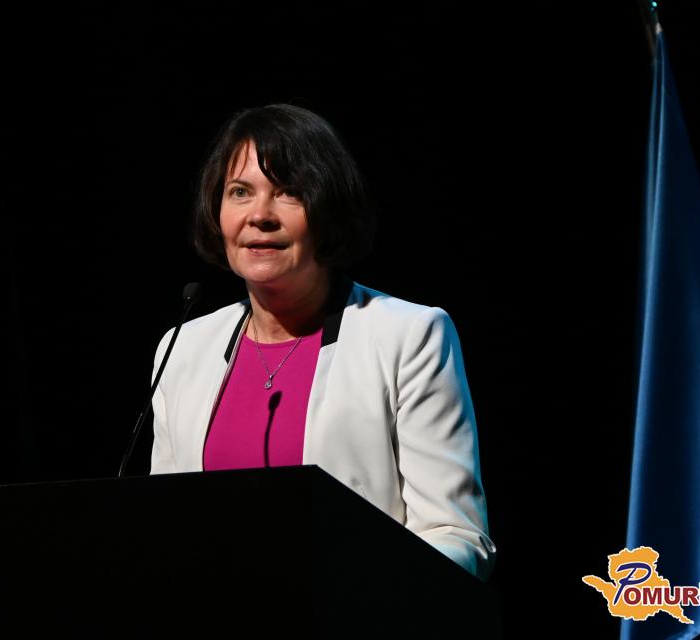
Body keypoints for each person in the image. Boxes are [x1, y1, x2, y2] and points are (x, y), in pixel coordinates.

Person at [149, 103, 496, 582]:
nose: (259, 215)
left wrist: (359, 599)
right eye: (240, 192)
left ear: (329, 208)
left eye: (288, 192)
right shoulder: (183, 349)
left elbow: (454, 535)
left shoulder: (408, 336)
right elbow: (163, 528)